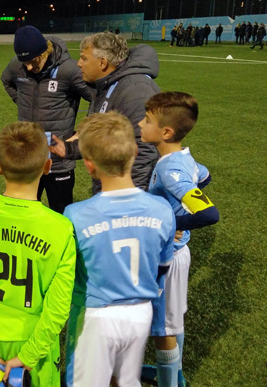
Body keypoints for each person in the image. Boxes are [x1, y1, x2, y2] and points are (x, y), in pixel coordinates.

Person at [0, 121, 77, 387]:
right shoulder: (61, 227)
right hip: (35, 345)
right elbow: (58, 306)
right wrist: (30, 354)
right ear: (47, 166)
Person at [63, 111, 175, 387]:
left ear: (89, 166)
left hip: (95, 314)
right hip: (140, 311)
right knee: (127, 380)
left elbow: (67, 273)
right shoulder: (162, 209)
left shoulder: (76, 214)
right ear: (135, 151)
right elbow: (162, 267)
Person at [139, 92, 219, 387]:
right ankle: (174, 374)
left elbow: (209, 214)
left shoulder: (168, 167)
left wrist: (174, 221)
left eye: (146, 120)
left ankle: (169, 381)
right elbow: (203, 176)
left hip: (168, 257)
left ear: (166, 132)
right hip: (175, 254)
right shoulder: (183, 158)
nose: (140, 123)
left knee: (162, 329)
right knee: (171, 321)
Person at [51, 31, 159, 195]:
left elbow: (143, 151)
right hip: (110, 186)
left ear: (102, 63)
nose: (79, 64)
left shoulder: (135, 90)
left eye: (84, 58)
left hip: (127, 194)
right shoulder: (105, 85)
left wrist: (127, 198)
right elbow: (103, 136)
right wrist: (69, 148)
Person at [1, 25, 91, 214]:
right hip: (28, 158)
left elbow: (96, 97)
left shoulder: (69, 70)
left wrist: (83, 129)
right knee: (23, 213)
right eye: (24, 62)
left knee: (61, 213)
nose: (28, 67)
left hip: (58, 161)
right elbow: (6, 80)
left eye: (33, 61)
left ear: (45, 52)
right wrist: (21, 101)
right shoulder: (17, 66)